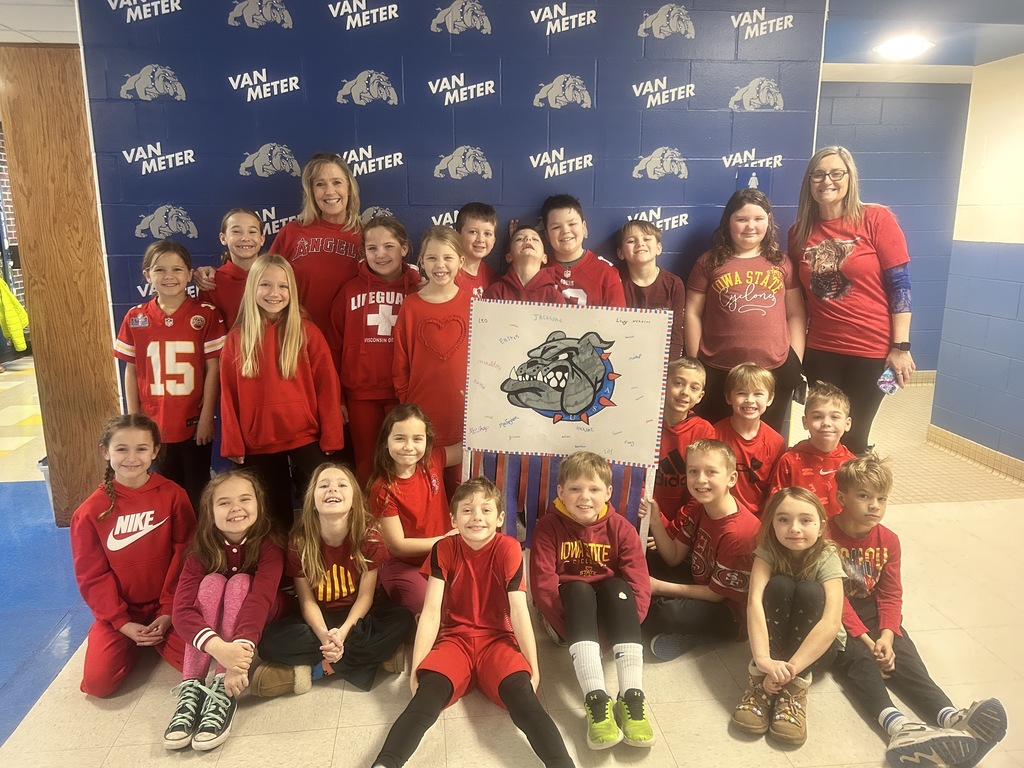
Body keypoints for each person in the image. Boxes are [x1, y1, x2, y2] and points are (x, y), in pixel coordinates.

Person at [371, 478, 575, 768]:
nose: (476, 516)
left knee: (524, 699)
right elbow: (430, 613)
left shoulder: (509, 548)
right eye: (467, 510)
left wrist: (534, 667)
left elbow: (519, 612)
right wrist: (416, 669)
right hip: (454, 641)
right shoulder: (443, 548)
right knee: (425, 698)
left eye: (486, 510)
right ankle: (385, 763)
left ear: (500, 518)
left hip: (498, 641)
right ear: (454, 520)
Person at [830, 455, 1006, 768]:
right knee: (859, 657)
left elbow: (890, 593)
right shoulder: (826, 536)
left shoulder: (889, 540)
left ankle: (949, 717)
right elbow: (834, 598)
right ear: (842, 498)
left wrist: (887, 635)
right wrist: (868, 641)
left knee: (903, 651)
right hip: (832, 610)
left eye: (882, 499)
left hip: (869, 607)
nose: (875, 506)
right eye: (864, 496)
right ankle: (899, 728)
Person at [789, 147, 916, 454]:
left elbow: (900, 286)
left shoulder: (877, 218)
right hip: (821, 352)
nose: (827, 181)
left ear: (850, 178)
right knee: (825, 433)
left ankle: (856, 483)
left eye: (836, 173)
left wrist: (901, 348)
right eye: (818, 175)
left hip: (876, 354)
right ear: (809, 182)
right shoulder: (798, 233)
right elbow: (798, 302)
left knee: (855, 433)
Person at [529, 451, 654, 750]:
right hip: (568, 615)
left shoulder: (621, 528)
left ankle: (631, 696)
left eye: (594, 489)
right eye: (575, 488)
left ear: (608, 493)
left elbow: (639, 585)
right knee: (578, 589)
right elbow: (543, 588)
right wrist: (572, 631)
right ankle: (596, 700)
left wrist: (611, 637)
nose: (585, 497)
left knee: (618, 587)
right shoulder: (548, 526)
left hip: (610, 616)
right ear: (561, 492)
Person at [254, 463, 413, 694]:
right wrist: (324, 635)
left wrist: (344, 632)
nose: (332, 489)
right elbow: (307, 602)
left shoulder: (370, 536)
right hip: (320, 616)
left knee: (402, 620)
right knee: (268, 642)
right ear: (312, 501)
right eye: (324, 486)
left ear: (354, 500)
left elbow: (365, 597)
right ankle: (374, 658)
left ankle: (320, 668)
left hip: (359, 617)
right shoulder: (299, 541)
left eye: (341, 485)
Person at [70, 414, 196, 698]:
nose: (132, 458)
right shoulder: (89, 512)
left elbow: (186, 555)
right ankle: (128, 641)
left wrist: (169, 610)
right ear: (106, 452)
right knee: (98, 685)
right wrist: (121, 623)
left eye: (141, 448)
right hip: (122, 612)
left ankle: (155, 638)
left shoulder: (173, 495)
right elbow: (91, 575)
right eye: (121, 449)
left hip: (169, 605)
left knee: (199, 662)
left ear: (155, 451)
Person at [219, 254, 345, 530]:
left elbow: (327, 388)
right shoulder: (238, 338)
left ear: (292, 290)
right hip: (258, 441)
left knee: (325, 502)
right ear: (252, 288)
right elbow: (228, 394)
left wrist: (332, 436)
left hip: (305, 435)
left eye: (283, 286)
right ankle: (280, 559)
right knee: (274, 519)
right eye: (265, 285)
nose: (274, 293)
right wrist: (233, 443)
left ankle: (316, 554)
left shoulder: (307, 332)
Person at [164, 470, 285, 751]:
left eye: (245, 499)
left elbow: (261, 599)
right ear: (210, 511)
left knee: (240, 582)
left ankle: (222, 687)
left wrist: (235, 661)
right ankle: (192, 685)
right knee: (212, 582)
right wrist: (219, 648)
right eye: (224, 502)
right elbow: (181, 611)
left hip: (264, 616)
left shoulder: (270, 542)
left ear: (259, 504)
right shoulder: (201, 549)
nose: (236, 508)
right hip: (222, 639)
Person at [114, 239, 225, 511]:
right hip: (155, 423)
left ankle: (199, 536)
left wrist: (206, 418)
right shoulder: (135, 317)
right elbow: (132, 369)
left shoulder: (205, 315)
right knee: (165, 490)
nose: (169, 276)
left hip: (193, 422)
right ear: (147, 275)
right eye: (160, 270)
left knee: (198, 489)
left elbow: (214, 368)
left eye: (177, 269)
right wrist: (135, 418)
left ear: (189, 274)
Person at [732, 487, 845, 746]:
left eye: (805, 520)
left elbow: (831, 622)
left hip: (815, 651)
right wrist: (763, 661)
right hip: (774, 648)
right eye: (783, 519)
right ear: (772, 524)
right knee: (779, 585)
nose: (794, 528)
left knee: (810, 590)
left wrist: (790, 671)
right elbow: (754, 603)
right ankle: (758, 685)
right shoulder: (768, 550)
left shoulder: (827, 555)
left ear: (821, 527)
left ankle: (793, 691)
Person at [686, 189, 805, 431]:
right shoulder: (709, 262)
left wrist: (795, 359)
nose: (750, 226)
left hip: (773, 369)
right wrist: (696, 362)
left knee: (766, 439)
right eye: (741, 219)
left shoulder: (781, 262)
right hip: (718, 369)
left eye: (758, 219)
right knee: (716, 439)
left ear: (768, 221)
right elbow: (692, 312)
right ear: (728, 222)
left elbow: (796, 313)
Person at [641, 439, 759, 660]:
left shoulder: (739, 534)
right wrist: (655, 520)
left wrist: (657, 587)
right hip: (700, 580)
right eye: (693, 471)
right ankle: (657, 610)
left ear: (731, 479)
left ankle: (692, 632)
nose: (700, 479)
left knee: (664, 612)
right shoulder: (699, 505)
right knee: (643, 559)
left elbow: (716, 595)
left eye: (711, 472)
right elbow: (674, 557)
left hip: (730, 614)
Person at [329, 216, 422, 485]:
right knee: (366, 464)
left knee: (404, 463)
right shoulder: (349, 291)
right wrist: (338, 398)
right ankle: (369, 510)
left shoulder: (419, 289)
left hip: (404, 394)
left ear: (404, 248)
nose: (380, 254)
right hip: (361, 395)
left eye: (388, 246)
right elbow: (333, 347)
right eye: (372, 248)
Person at [369, 404, 463, 614]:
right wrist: (444, 540)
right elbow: (398, 546)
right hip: (404, 564)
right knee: (428, 605)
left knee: (465, 598)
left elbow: (466, 448)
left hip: (441, 557)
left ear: (427, 441)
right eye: (400, 438)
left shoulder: (432, 460)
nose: (408, 446)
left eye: (417, 439)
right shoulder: (383, 488)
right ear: (385, 442)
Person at [392, 226, 472, 449]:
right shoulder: (410, 306)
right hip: (420, 417)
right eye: (432, 258)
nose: (440, 265)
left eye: (448, 258)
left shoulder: (474, 305)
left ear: (461, 261)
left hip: (463, 417)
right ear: (421, 261)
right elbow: (400, 364)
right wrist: (408, 404)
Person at [768, 381, 856, 518]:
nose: (826, 423)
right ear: (805, 422)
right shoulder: (789, 461)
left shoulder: (853, 465)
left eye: (834, 417)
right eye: (817, 417)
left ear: (847, 423)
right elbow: (775, 505)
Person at [713, 363, 786, 517]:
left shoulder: (776, 442)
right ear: (728, 397)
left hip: (757, 520)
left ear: (770, 398)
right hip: (718, 515)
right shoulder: (713, 434)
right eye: (742, 393)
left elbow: (774, 492)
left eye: (758, 394)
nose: (749, 400)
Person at [617, 219, 686, 360]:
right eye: (631, 241)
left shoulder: (674, 284)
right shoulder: (615, 281)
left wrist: (669, 367)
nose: (640, 244)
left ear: (659, 248)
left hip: (661, 359)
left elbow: (676, 335)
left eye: (647, 239)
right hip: (623, 356)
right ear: (621, 253)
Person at [541, 194, 626, 307]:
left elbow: (617, 317)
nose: (565, 231)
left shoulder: (606, 273)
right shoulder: (538, 268)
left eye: (572, 224)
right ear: (547, 235)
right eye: (556, 227)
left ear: (583, 227)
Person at [198, 208, 266, 328]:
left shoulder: (276, 277)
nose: (245, 238)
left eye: (252, 232)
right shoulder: (211, 282)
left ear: (262, 239)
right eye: (236, 232)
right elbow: (207, 330)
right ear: (223, 238)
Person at [484, 223, 565, 304]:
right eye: (519, 239)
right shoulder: (496, 291)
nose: (528, 239)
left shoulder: (554, 296)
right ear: (509, 257)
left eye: (535, 239)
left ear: (544, 258)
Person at [454, 202, 498, 297]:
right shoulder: (450, 273)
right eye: (473, 232)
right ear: (458, 235)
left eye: (487, 234)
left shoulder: (489, 274)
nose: (480, 239)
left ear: (494, 240)